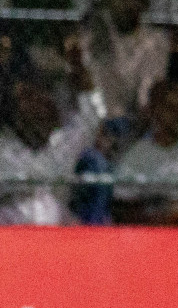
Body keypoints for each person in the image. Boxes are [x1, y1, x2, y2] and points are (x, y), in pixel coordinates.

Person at [0, 37, 106, 225]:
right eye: (25, 98)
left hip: (57, 239)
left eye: (40, 97)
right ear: (14, 113)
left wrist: (79, 67)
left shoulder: (62, 143)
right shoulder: (5, 148)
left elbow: (94, 115)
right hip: (12, 239)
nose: (36, 104)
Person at [111, 78, 178, 225]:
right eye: (170, 108)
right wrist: (161, 215)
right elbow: (122, 208)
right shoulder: (136, 155)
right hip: (151, 234)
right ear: (153, 111)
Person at [81, 0, 170, 150]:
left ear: (144, 4)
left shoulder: (155, 41)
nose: (127, 5)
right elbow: (89, 85)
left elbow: (146, 100)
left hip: (134, 125)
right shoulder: (94, 35)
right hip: (94, 120)